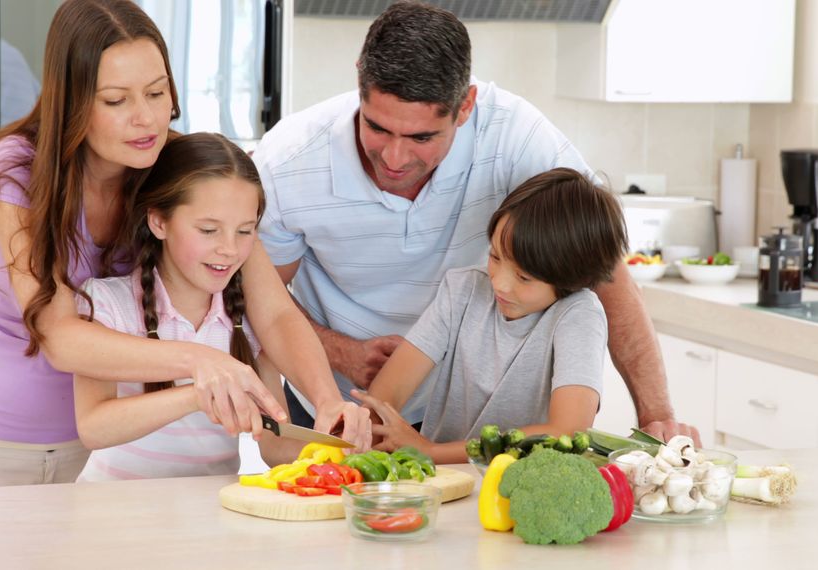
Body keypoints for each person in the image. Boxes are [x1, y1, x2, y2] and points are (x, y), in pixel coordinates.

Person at [253, 1, 698, 442]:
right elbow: (260, 295)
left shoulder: (515, 137)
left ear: (465, 106)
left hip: (472, 414)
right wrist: (340, 352)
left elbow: (602, 267)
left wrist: (656, 415)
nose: (394, 158)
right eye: (378, 128)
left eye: (422, 137)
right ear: (359, 82)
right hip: (334, 398)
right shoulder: (289, 160)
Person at [0, 0, 366, 488]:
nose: (147, 119)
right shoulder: (16, 170)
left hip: (97, 453)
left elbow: (274, 310)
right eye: (117, 101)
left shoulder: (167, 162)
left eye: (157, 93)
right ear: (71, 100)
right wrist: (201, 362)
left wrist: (326, 400)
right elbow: (61, 337)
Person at [74, 133, 315, 480]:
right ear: (159, 222)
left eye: (245, 231)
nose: (230, 249)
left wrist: (346, 451)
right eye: (208, 230)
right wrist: (198, 393)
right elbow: (94, 426)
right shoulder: (107, 303)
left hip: (209, 513)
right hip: (115, 513)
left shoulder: (251, 319)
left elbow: (275, 446)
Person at [354, 168, 628, 464]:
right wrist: (363, 436)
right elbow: (384, 396)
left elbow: (567, 430)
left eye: (523, 277)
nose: (499, 283)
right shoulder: (463, 289)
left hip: (519, 485)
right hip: (441, 478)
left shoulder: (579, 314)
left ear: (570, 281)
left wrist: (432, 452)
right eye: (495, 257)